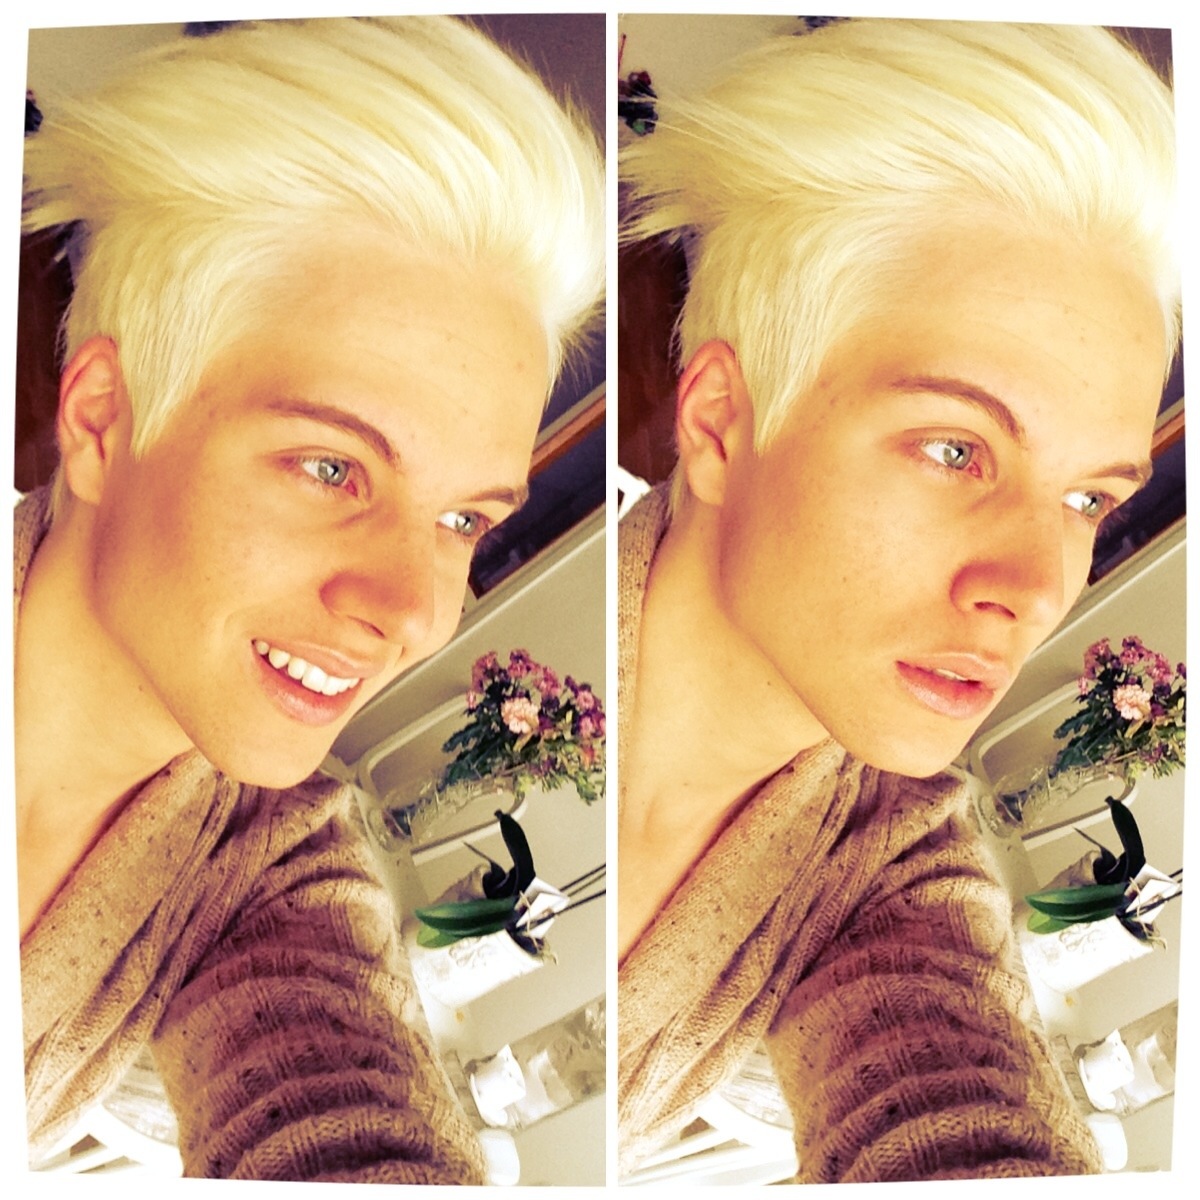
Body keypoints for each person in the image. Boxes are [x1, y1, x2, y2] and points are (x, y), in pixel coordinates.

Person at [16, 15, 603, 1181]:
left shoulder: (274, 876)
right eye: (331, 469)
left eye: (464, 522)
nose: (411, 612)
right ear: (102, 420)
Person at [617, 18, 1177, 1181]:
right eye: (955, 451)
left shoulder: (891, 871)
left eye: (1087, 499)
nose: (1034, 590)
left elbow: (950, 1106)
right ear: (720, 424)